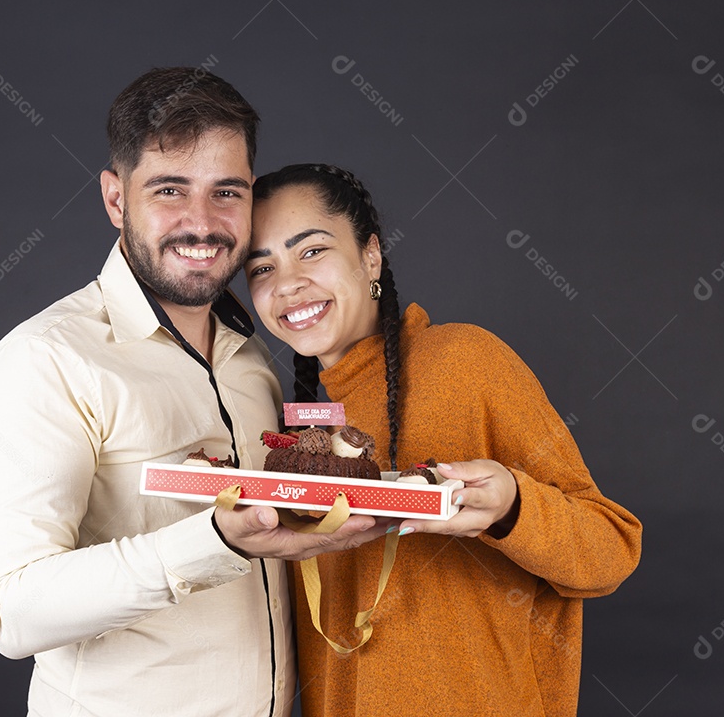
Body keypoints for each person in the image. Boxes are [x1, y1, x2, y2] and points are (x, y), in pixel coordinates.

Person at [0, 72, 386, 717]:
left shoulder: (251, 357)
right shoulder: (42, 360)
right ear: (115, 198)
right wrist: (217, 542)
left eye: (227, 192)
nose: (203, 223)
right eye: (169, 190)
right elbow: (11, 612)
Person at [245, 163, 643, 717]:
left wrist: (511, 509)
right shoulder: (297, 432)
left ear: (370, 256)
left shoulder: (467, 360)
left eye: (311, 251)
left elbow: (611, 552)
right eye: (262, 267)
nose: (286, 283)